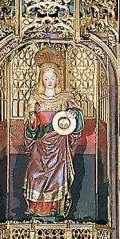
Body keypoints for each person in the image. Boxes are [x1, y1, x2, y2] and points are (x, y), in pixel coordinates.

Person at [23, 63, 83, 219]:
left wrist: (72, 115)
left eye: (52, 77)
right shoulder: (35, 100)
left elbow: (77, 118)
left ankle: (55, 208)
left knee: (58, 177)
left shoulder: (65, 99)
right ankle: (35, 208)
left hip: (59, 145)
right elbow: (31, 128)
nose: (49, 81)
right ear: (41, 79)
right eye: (46, 78)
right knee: (34, 173)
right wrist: (32, 120)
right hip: (41, 144)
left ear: (57, 79)